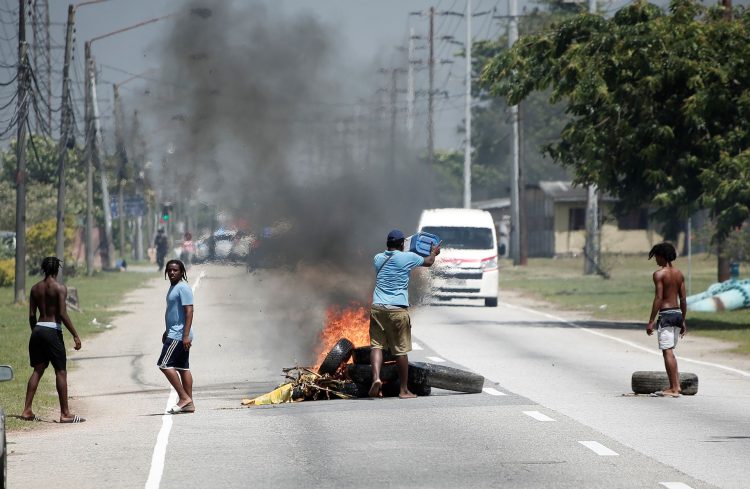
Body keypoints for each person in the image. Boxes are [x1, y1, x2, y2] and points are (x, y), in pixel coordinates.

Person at [369, 229, 440, 399]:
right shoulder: (408, 257)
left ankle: (376, 378)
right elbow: (429, 262)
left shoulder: (378, 258)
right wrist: (434, 252)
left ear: (388, 244)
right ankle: (403, 390)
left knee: (376, 345)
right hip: (397, 309)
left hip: (377, 307)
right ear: (402, 244)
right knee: (400, 351)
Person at [21, 257, 85, 423]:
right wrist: (75, 335)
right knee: (61, 371)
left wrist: (36, 332)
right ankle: (65, 414)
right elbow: (62, 314)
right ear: (57, 270)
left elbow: (31, 316)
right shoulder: (60, 288)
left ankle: (26, 410)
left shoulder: (35, 289)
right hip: (52, 331)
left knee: (38, 370)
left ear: (44, 269)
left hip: (37, 330)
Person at [646, 242, 687, 398]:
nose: (656, 260)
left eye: (656, 256)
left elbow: (658, 298)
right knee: (671, 351)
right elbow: (683, 299)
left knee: (667, 351)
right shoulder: (679, 274)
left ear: (661, 256)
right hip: (677, 313)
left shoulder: (659, 274)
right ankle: (675, 385)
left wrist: (651, 321)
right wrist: (683, 319)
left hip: (666, 314)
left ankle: (674, 388)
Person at [157, 259, 195, 413]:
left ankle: (184, 397)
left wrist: (185, 335)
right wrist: (167, 331)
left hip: (179, 334)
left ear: (182, 272)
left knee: (164, 364)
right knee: (182, 367)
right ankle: (189, 404)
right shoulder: (173, 287)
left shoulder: (183, 288)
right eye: (170, 270)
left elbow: (189, 311)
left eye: (175, 270)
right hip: (174, 332)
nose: (172, 273)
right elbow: (174, 312)